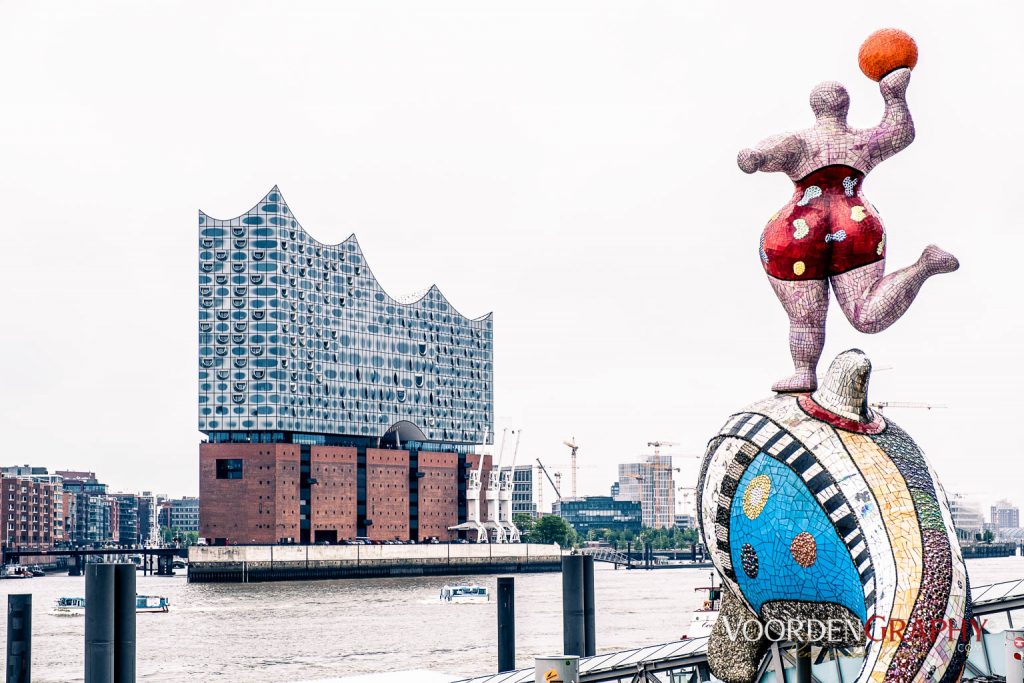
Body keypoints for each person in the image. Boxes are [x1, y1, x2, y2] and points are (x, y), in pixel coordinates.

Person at [738, 68, 958, 392]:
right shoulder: (860, 142)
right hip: (854, 223)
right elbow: (899, 133)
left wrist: (756, 156)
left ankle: (804, 369)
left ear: (815, 107)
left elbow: (775, 149)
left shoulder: (803, 140)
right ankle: (923, 266)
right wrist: (894, 96)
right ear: (845, 106)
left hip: (798, 232)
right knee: (866, 316)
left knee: (805, 316)